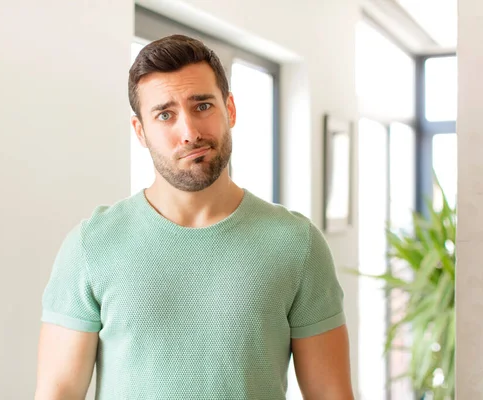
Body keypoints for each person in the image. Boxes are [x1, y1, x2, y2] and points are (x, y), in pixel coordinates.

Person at [35, 34, 354, 400]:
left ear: (229, 110)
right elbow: (58, 393)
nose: (189, 132)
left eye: (202, 106)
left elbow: (331, 393)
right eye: (165, 114)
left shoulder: (297, 244)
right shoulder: (91, 245)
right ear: (140, 131)